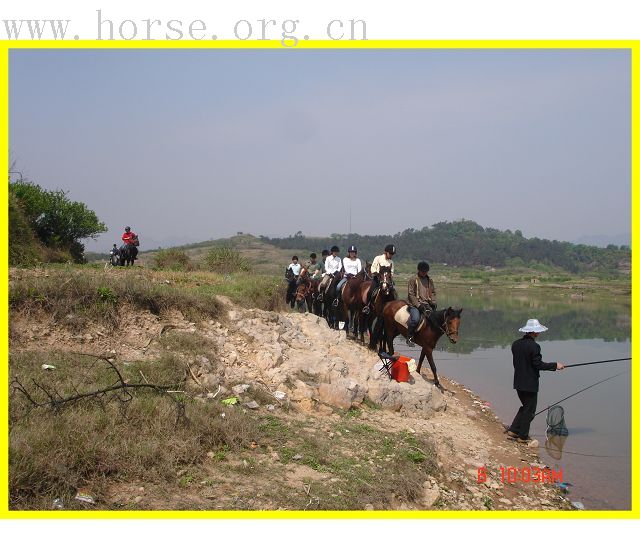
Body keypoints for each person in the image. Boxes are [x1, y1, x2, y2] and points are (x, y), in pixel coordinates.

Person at [507, 319, 565, 443]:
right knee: (530, 411)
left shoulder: (515, 344)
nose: (538, 334)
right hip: (530, 384)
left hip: (518, 382)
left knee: (525, 407)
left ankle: (513, 430)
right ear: (534, 332)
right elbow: (538, 365)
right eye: (537, 331)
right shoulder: (534, 346)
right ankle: (522, 437)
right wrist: (555, 365)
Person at [405, 261, 437, 346]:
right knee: (415, 319)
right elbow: (410, 294)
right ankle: (409, 337)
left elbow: (433, 292)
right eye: (422, 271)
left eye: (425, 271)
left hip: (427, 303)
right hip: (414, 304)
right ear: (418, 270)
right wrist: (418, 305)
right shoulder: (413, 279)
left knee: (435, 320)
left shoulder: (430, 280)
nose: (424, 273)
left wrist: (433, 302)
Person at [363, 244, 395, 314]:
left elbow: (392, 272)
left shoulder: (391, 262)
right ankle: (367, 306)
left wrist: (390, 279)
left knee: (394, 292)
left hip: (387, 281)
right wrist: (377, 274)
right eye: (390, 253)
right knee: (370, 291)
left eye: (392, 254)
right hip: (377, 280)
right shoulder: (378, 258)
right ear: (386, 252)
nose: (391, 255)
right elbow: (373, 268)